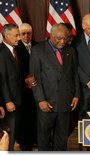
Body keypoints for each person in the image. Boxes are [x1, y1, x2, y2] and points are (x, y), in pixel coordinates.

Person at [29, 23, 80, 151]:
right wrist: (40, 100)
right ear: (50, 35)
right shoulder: (38, 50)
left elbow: (75, 75)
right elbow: (34, 79)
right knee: (44, 138)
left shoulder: (70, 50)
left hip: (65, 101)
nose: (62, 41)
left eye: (65, 38)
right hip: (46, 102)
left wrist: (76, 95)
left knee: (62, 138)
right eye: (59, 38)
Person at [16, 23, 37, 151]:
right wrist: (25, 79)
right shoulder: (15, 47)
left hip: (37, 87)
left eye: (29, 33)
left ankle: (34, 140)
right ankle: (24, 142)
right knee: (24, 117)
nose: (26, 36)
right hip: (23, 89)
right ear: (19, 34)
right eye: (23, 33)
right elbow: (14, 69)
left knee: (35, 116)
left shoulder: (37, 45)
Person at [0, 24, 21, 151]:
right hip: (8, 102)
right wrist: (8, 100)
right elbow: (2, 80)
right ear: (6, 36)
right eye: (16, 35)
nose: (19, 38)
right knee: (8, 135)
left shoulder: (13, 50)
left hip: (16, 99)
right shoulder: (1, 53)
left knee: (13, 133)